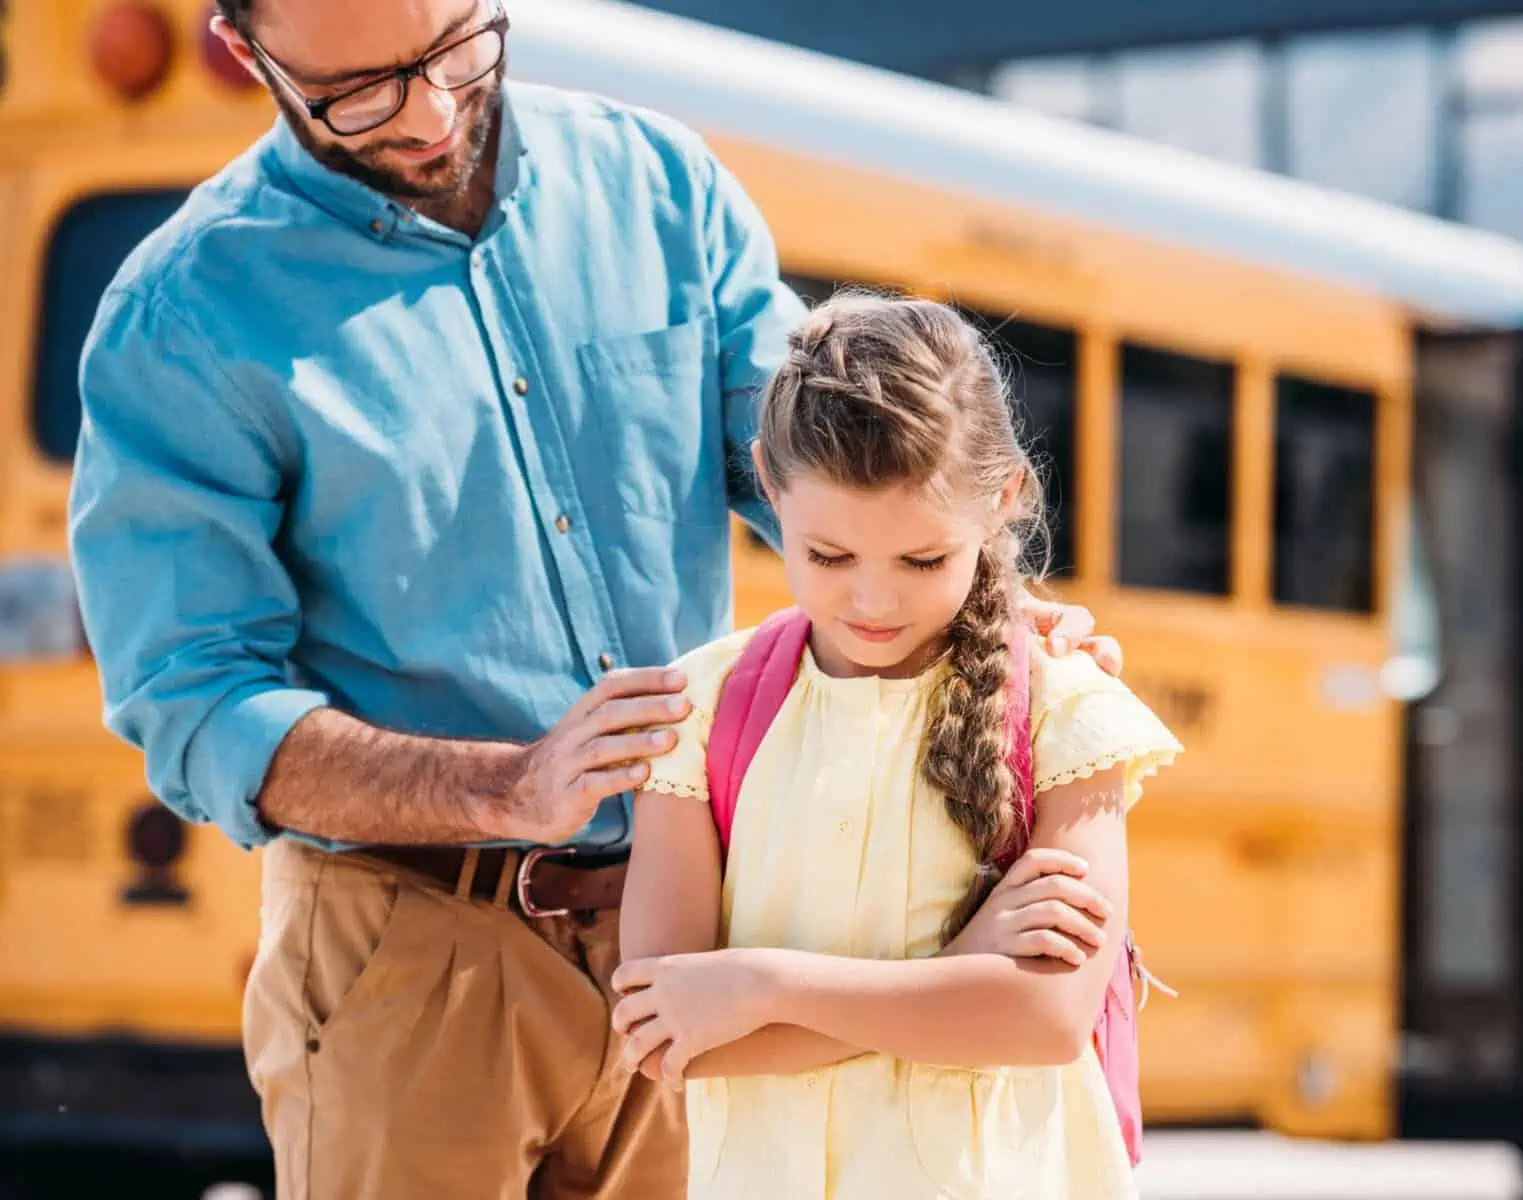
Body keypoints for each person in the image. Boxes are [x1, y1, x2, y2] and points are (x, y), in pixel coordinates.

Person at [66, 2, 1122, 1196]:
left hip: (699, 917)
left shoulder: (660, 185)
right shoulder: (184, 317)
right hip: (408, 949)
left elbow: (819, 470)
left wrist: (972, 601)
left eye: (455, 49)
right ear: (246, 50)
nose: (430, 112)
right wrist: (507, 786)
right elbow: (200, 705)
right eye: (356, 93)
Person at [611, 293, 1183, 1200]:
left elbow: (1043, 1019)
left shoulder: (1065, 708)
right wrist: (959, 977)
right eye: (828, 556)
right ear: (766, 480)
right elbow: (663, 1034)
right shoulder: (702, 709)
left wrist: (761, 986)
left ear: (1001, 501)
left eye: (922, 562)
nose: (871, 602)